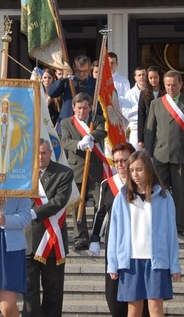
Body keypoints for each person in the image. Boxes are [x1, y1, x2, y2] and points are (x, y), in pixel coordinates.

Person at [107, 151, 181, 317]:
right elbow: (114, 232)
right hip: (130, 260)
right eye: (131, 170)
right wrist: (113, 263)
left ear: (148, 169)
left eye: (139, 169)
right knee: (133, 310)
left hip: (156, 261)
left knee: (155, 309)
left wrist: (174, 264)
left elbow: (171, 232)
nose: (135, 174)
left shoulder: (164, 196)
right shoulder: (122, 197)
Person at [144, 70, 184, 235]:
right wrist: (148, 155)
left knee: (180, 193)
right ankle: (159, 224)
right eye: (167, 85)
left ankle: (178, 225)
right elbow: (150, 132)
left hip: (182, 156)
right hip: (160, 155)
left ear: (181, 84)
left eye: (174, 85)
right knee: (158, 192)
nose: (170, 88)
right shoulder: (156, 103)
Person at [23, 138, 74, 317]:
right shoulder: (23, 173)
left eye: (44, 152)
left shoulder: (64, 173)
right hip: (28, 241)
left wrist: (34, 213)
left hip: (52, 242)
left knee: (53, 293)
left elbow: (59, 201)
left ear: (51, 153)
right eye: (37, 153)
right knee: (29, 293)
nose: (40, 156)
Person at [90, 142, 137, 317]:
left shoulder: (141, 184)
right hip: (114, 244)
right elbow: (100, 213)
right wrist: (95, 237)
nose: (120, 164)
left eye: (124, 160)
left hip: (137, 244)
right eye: (116, 161)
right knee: (113, 293)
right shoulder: (107, 184)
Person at [60, 92, 107, 251]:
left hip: (95, 169)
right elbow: (65, 141)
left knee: (99, 204)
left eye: (85, 108)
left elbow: (103, 131)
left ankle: (97, 234)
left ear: (90, 108)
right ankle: (81, 238)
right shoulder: (67, 122)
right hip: (77, 168)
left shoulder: (97, 119)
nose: (82, 111)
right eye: (79, 108)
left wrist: (91, 136)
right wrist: (79, 144)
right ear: (73, 108)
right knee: (76, 206)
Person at [48, 55, 96, 131]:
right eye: (78, 71)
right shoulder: (67, 81)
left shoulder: (95, 83)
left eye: (84, 71)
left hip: (87, 126)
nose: (81, 74)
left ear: (89, 68)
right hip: (66, 125)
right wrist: (63, 78)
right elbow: (51, 93)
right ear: (73, 67)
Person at [137, 66, 164, 150]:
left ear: (160, 77)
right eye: (150, 78)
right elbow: (141, 116)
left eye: (155, 77)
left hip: (163, 130)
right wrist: (140, 138)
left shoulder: (166, 93)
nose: (153, 80)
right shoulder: (144, 93)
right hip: (149, 130)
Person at [121, 66, 147, 147]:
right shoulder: (129, 94)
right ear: (135, 78)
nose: (141, 77)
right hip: (135, 129)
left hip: (150, 128)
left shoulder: (152, 92)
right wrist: (140, 108)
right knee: (135, 156)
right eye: (139, 75)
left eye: (143, 75)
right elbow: (126, 113)